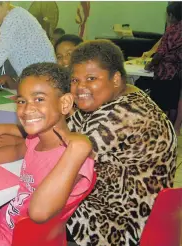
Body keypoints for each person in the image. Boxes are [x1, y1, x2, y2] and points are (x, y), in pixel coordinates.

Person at [0, 63, 95, 246]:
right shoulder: (37, 138)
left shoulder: (75, 160)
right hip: (4, 220)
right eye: (21, 101)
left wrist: (77, 151)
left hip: (14, 239)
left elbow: (39, 213)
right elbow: (18, 150)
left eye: (39, 99)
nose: (26, 109)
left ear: (64, 103)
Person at [64, 40, 177, 245]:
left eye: (91, 78)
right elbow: (68, 131)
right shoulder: (123, 95)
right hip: (129, 208)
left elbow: (66, 159)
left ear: (115, 78)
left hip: (117, 222)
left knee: (31, 209)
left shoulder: (123, 114)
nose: (80, 87)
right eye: (75, 80)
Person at [0, 2, 56, 80]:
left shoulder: (11, 21)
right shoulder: (19, 12)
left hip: (42, 77)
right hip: (44, 74)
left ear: (5, 3)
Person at [145, 2, 182, 132]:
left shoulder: (171, 30)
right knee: (172, 103)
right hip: (177, 72)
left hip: (165, 72)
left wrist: (150, 65)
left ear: (171, 15)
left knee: (159, 101)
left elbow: (161, 52)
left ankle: (159, 129)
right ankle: (172, 130)